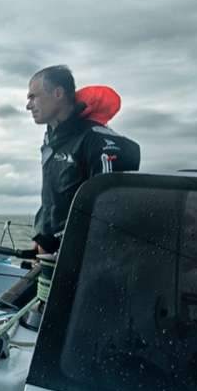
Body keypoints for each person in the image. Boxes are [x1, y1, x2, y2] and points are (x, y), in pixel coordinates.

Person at [26, 65, 140, 255]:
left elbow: (109, 214)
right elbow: (52, 199)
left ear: (58, 93)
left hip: (84, 260)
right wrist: (42, 235)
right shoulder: (51, 143)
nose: (28, 105)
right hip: (50, 255)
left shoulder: (100, 142)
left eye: (33, 97)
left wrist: (58, 244)